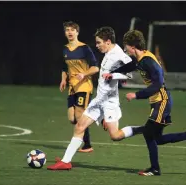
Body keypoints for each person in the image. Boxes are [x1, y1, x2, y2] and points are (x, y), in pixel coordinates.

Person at [47, 26, 142, 170]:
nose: (97, 46)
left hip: (110, 102)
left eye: (99, 43)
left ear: (108, 41)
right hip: (99, 100)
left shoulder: (118, 54)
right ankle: (66, 161)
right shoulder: (109, 52)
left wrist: (113, 75)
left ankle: (142, 129)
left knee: (115, 136)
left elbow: (130, 73)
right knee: (80, 126)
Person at [117, 30, 186, 176]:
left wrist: (136, 95)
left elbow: (157, 85)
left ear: (132, 46)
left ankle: (155, 169)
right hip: (157, 102)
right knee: (158, 139)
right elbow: (131, 66)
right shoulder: (140, 59)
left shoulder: (149, 61)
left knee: (149, 134)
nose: (125, 49)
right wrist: (113, 72)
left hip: (162, 101)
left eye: (126, 46)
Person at [60, 21, 99, 153]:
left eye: (72, 30)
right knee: (72, 118)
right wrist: (63, 80)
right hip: (72, 87)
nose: (69, 32)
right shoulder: (65, 48)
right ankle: (93, 119)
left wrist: (84, 74)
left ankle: (86, 145)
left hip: (84, 86)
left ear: (77, 32)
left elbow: (95, 67)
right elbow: (64, 67)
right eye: (67, 30)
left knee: (79, 114)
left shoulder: (84, 48)